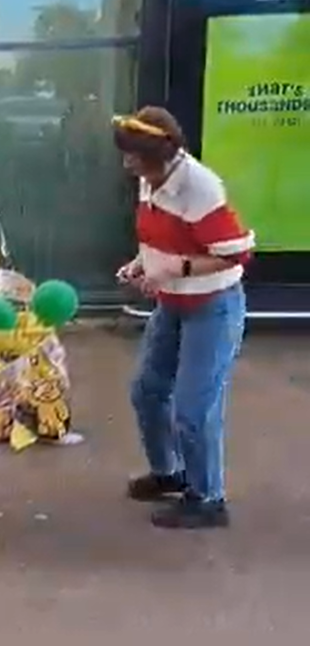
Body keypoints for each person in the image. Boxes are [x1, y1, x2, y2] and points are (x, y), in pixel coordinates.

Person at [114, 106, 251, 530]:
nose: (127, 162)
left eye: (134, 155)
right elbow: (158, 237)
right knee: (147, 391)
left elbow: (238, 251)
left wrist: (175, 270)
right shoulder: (149, 180)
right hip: (172, 303)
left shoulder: (200, 188)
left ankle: (208, 497)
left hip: (213, 305)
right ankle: (169, 473)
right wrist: (141, 264)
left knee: (194, 409)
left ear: (159, 154)